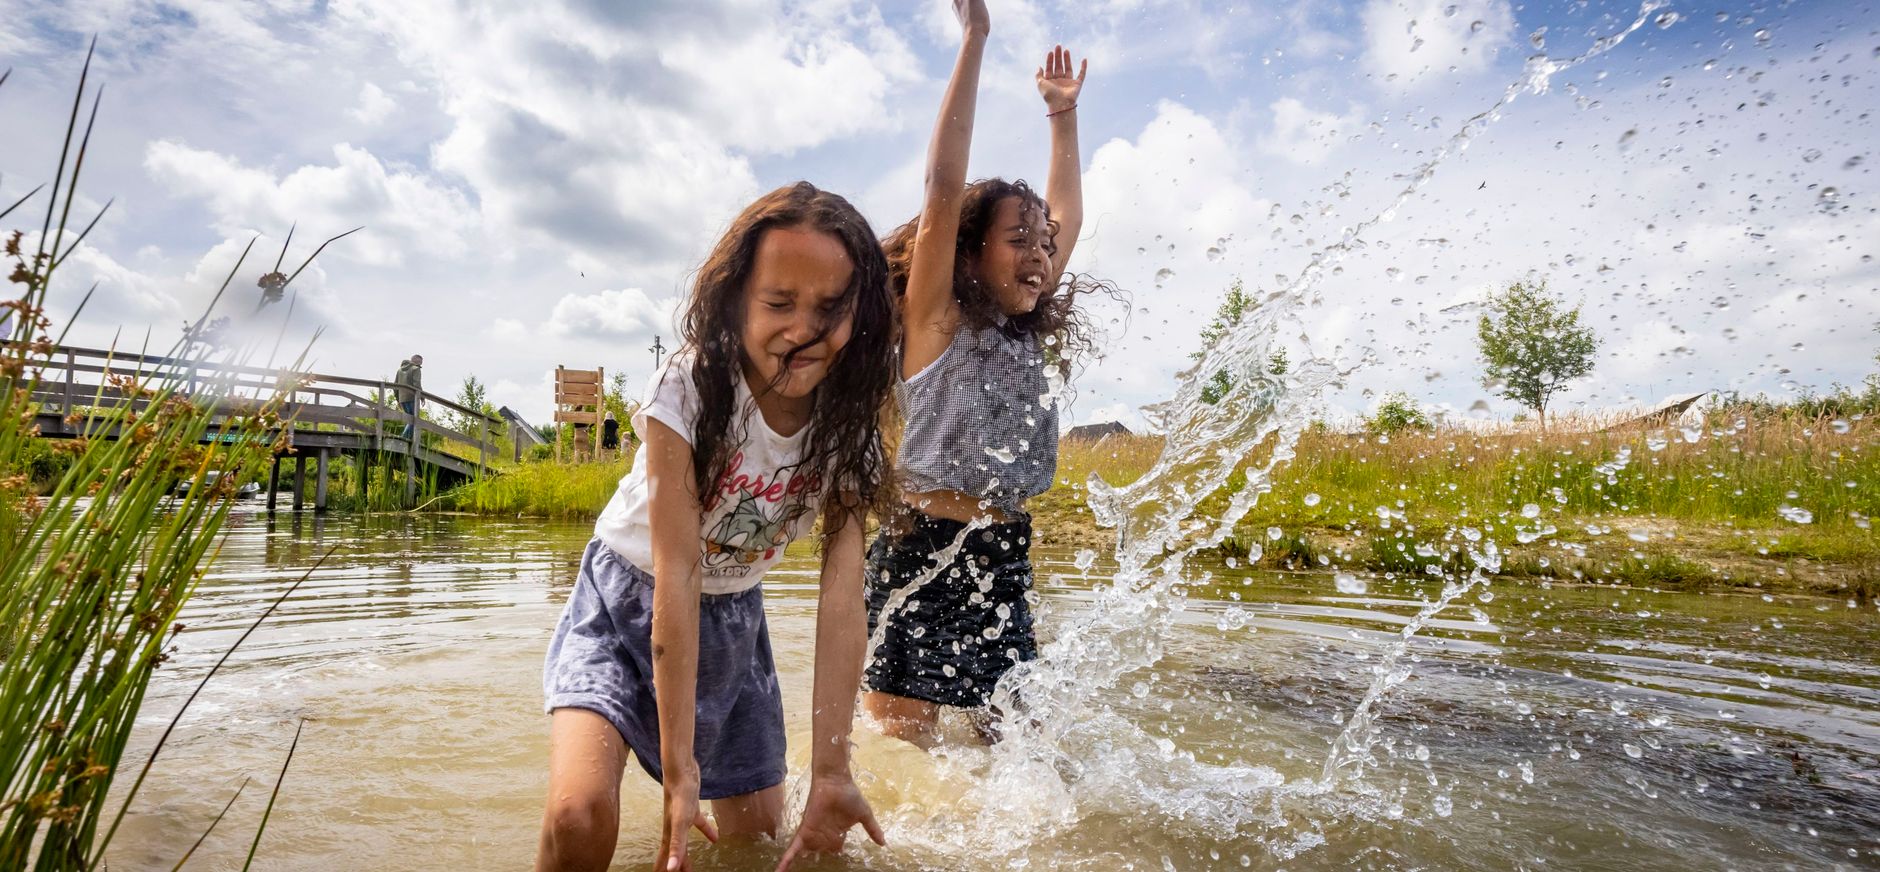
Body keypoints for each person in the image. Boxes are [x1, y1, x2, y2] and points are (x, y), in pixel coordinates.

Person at [536, 182, 897, 872]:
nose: (804, 329)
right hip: (628, 598)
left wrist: (832, 769)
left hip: (733, 620)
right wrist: (680, 773)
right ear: (736, 302)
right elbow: (676, 570)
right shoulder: (692, 387)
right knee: (578, 815)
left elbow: (842, 596)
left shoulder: (849, 419)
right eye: (779, 304)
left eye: (830, 308)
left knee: (755, 841)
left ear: (863, 313)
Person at [862, 0, 1109, 746]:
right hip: (918, 548)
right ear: (970, 251)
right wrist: (975, 39)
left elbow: (1067, 214)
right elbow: (943, 185)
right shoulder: (935, 321)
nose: (1039, 253)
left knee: (1020, 750)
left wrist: (1062, 118)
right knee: (905, 754)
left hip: (1002, 558)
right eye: (1018, 239)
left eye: (1044, 244)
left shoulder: (1019, 332)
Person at [396, 353, 424, 438]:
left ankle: (405, 438)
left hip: (402, 399)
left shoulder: (399, 370)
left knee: (410, 419)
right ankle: (403, 438)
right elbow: (417, 385)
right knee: (413, 420)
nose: (421, 365)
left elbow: (395, 386)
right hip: (412, 398)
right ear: (418, 361)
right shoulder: (416, 369)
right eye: (421, 363)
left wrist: (398, 400)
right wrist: (422, 397)